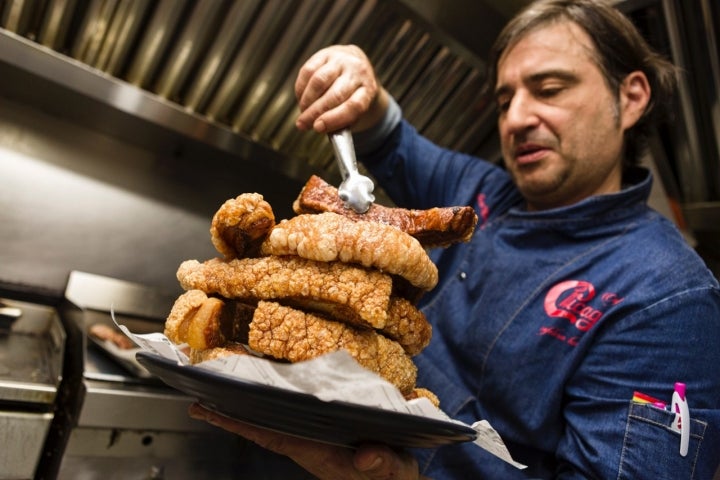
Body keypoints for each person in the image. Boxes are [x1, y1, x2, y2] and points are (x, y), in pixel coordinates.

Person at [189, 0, 720, 478]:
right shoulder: (482, 193)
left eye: (549, 89)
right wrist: (358, 83)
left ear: (630, 98)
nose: (516, 118)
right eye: (505, 98)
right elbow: (389, 136)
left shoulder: (669, 298)